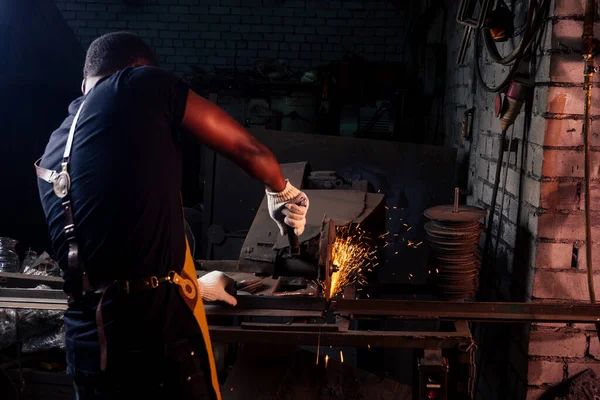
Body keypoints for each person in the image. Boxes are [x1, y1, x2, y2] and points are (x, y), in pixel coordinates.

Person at [35, 32, 309, 400]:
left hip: (86, 345)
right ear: (140, 69)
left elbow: (115, 243)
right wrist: (280, 189)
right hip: (149, 342)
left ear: (84, 84)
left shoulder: (54, 149)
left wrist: (187, 282)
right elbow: (248, 148)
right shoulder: (139, 83)